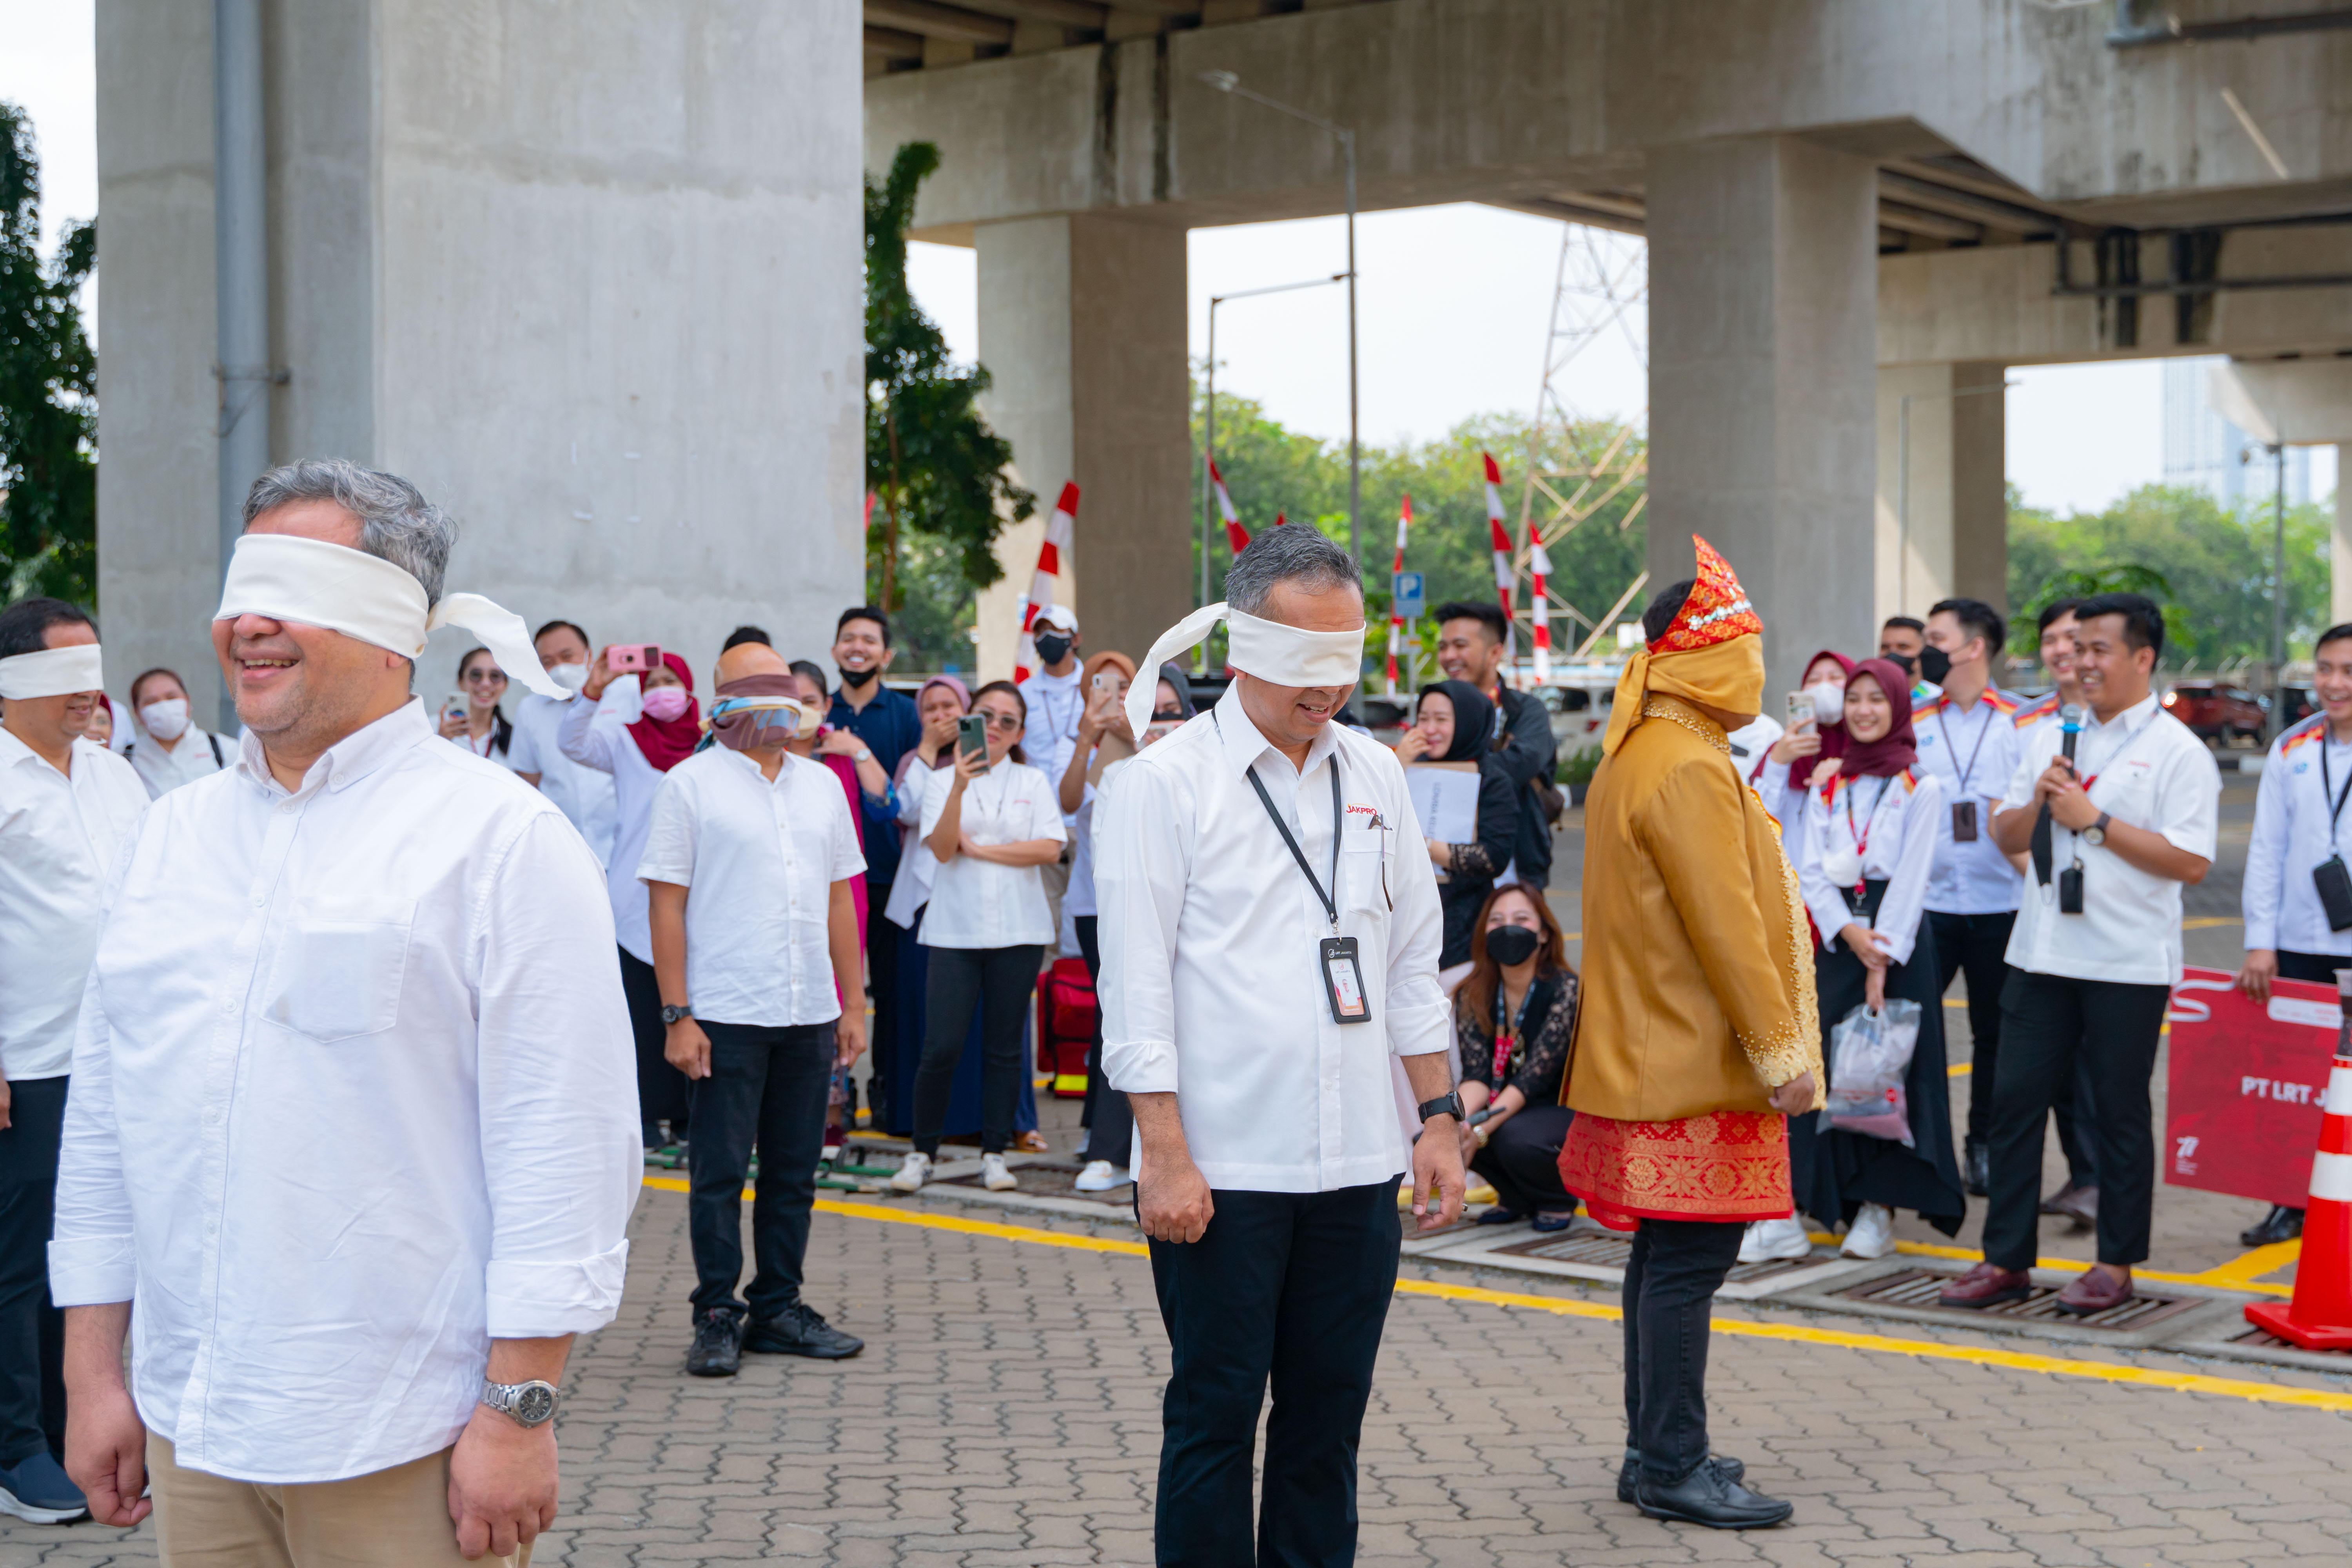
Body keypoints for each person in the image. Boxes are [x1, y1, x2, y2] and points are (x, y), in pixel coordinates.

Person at [51, 458, 635, 1563]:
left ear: (395, 625)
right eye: (243, 587)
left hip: (403, 1435)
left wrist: (519, 1412)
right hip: (194, 1421)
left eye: (297, 589)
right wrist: (92, 1374)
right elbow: (108, 1124)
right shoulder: (168, 839)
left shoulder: (500, 841)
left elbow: (563, 1148)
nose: (249, 624)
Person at [1099, 523, 1465, 1564]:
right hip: (1225, 1168)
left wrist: (1438, 1118)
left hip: (1358, 1165)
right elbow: (1136, 987)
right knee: (1214, 1414)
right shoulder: (1164, 783)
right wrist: (1165, 1154)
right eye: (1307, 659)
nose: (1330, 687)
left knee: (1326, 1421)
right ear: (1246, 644)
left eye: (1346, 658)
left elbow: (1409, 964)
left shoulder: (1376, 773)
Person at [1557, 538, 1821, 1530]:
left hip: (1652, 1052)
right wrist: (1784, 1052)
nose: (1756, 666)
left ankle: (1654, 1450)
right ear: (1704, 657)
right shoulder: (1688, 765)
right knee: (1686, 1265)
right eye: (1746, 648)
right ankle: (1673, 1461)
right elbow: (1729, 930)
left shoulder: (1643, 751)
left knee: (1664, 1261)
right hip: (1693, 1058)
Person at [1943, 593, 2220, 1316]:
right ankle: (2006, 1259)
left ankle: (2115, 1265)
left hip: (2126, 963)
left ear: (2143, 658)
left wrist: (2094, 821)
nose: (2082, 662)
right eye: (2077, 648)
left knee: (2119, 1114)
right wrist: (2041, 802)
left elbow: (2191, 861)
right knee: (2014, 1106)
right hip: (2040, 955)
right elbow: (2006, 835)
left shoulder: (2178, 751)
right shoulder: (2051, 734)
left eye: (2099, 649)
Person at [639, 641, 868, 1377]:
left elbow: (840, 900)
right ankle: (716, 1312)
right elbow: (666, 906)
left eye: (787, 691)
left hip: (808, 1011)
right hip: (725, 1012)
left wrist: (853, 1004)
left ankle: (777, 1308)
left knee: (795, 1173)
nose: (782, 706)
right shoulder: (690, 785)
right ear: (724, 703)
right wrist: (677, 1015)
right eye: (762, 691)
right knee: (719, 1173)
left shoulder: (822, 786)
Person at [0, 599, 146, 1527]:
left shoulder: (114, 775)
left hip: (116, 1054)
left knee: (84, 1250)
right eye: (65, 674)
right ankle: (15, 1446)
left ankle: (70, 1430)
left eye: (93, 670)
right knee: (17, 1261)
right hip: (27, 1056)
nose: (88, 692)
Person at [1748, 659, 1963, 1263]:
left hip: (1899, 943)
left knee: (1887, 1069)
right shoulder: (1829, 782)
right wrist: (1848, 933)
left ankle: (1877, 1210)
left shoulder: (1921, 785)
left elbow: (1914, 877)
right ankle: (1796, 1208)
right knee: (1821, 1071)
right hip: (1838, 940)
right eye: (1856, 700)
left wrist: (1882, 954)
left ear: (1898, 706)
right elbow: (1811, 867)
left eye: (1877, 699)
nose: (1864, 711)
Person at [890, 681, 1065, 1196]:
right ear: (969, 718)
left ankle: (994, 1154)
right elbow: (944, 849)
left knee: (1004, 1048)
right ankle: (922, 1152)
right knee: (941, 1046)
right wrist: (960, 788)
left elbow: (1049, 848)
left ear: (1019, 734)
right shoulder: (943, 780)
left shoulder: (1033, 779)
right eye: (986, 715)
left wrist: (984, 851)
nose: (994, 727)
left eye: (1007, 721)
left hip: (1019, 929)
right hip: (954, 930)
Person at [2232, 621, 2352, 1247]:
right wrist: (2262, 941)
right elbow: (2266, 852)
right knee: (2295, 1083)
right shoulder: (2292, 748)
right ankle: (2288, 1203)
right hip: (2300, 946)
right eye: (2325, 669)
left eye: (2348, 672)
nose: (2334, 684)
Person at [563, 645, 703, 1147]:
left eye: (671, 680)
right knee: (641, 1013)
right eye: (653, 682)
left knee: (692, 1007)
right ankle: (643, 1114)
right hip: (633, 897)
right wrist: (594, 688)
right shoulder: (625, 740)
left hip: (697, 897)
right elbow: (572, 743)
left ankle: (688, 1115)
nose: (662, 690)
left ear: (689, 687)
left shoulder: (711, 742)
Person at [1914, 599, 2026, 1199]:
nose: (1925, 651)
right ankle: (1917, 1146)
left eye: (1936, 639)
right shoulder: (1913, 719)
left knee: (1994, 1036)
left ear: (1974, 647)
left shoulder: (2019, 720)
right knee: (1915, 1029)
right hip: (1928, 907)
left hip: (2001, 904)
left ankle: (1981, 1146)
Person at [2010, 599, 2102, 1226]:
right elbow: (2008, 818)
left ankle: (2094, 1178)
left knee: (2095, 1066)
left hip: (2102, 922)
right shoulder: (2028, 725)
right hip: (2037, 913)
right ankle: (2079, 1179)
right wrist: (2042, 878)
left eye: (2077, 639)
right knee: (2048, 1066)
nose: (2064, 650)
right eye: (2052, 640)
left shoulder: (2119, 723)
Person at [824, 607, 922, 1136]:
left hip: (886, 872)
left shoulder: (906, 713)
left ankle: (885, 1089)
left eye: (868, 640)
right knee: (834, 991)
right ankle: (834, 1094)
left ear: (886, 654)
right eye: (848, 639)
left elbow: (908, 796)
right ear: (835, 649)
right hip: (829, 877)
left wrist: (858, 752)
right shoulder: (821, 710)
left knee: (888, 992)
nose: (857, 647)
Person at [880, 677, 980, 1137]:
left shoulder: (982, 755)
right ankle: (915, 1121)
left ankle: (974, 1121)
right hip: (921, 901)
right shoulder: (912, 761)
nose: (941, 716)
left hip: (974, 893)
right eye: (930, 708)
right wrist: (925, 749)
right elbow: (905, 811)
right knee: (921, 1013)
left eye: (949, 706)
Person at [1059, 652, 1140, 1192]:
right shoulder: (1081, 739)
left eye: (1124, 684)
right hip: (1094, 901)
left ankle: (1108, 1134)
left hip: (1143, 898)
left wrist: (1136, 735)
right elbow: (1067, 803)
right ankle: (1100, 1135)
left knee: (1121, 1012)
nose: (1114, 694)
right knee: (1109, 1010)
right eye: (1102, 684)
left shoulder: (1157, 735)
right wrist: (1087, 737)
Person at [1454, 884, 1580, 1230]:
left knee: (1513, 1137)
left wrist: (1480, 1130)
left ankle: (1556, 1198)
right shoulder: (1473, 991)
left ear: (1543, 933)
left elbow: (1532, 1080)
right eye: (1497, 920)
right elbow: (1477, 1074)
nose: (1509, 927)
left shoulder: (1565, 990)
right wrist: (1455, 1123)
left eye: (1521, 919)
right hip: (1506, 1107)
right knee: (1442, 1133)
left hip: (1560, 1109)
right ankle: (1516, 1197)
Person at [1396, 679, 1520, 982]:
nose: (1429, 729)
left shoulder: (1492, 779)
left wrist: (1424, 845)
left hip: (1464, 929)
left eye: (1441, 719)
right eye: (1423, 719)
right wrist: (1396, 766)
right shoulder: (1406, 767)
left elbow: (1493, 856)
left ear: (1467, 721)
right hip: (1404, 922)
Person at [1433, 600, 1559, 888]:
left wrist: (1452, 767)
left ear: (1495, 653)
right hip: (1448, 872)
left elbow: (1522, 764)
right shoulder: (1437, 711)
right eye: (1443, 647)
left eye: (1460, 645)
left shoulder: (1526, 711)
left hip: (1515, 874)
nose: (1449, 656)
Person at [507, 619, 618, 866]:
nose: (560, 667)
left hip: (622, 848)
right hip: (562, 853)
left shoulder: (625, 694)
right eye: (548, 662)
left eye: (568, 656)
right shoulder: (530, 709)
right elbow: (528, 784)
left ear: (589, 656)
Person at [1018, 604, 1085, 937]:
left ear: (1075, 639)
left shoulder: (1095, 687)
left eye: (1055, 631)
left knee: (1092, 910)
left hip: (1087, 815)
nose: (1046, 638)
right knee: (1045, 915)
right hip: (1041, 819)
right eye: (1040, 632)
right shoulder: (1023, 693)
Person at [1754, 649, 1855, 821]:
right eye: (1814, 680)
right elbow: (1760, 816)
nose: (1824, 687)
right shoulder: (1785, 748)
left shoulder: (1870, 748)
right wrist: (1777, 762)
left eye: (1835, 678)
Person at [118, 667, 230, 798]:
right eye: (151, 702)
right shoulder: (124, 758)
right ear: (137, 713)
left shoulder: (225, 749)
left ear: (188, 701)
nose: (164, 707)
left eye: (172, 697)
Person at [438, 646, 514, 766]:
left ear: (505, 685)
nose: (485, 683)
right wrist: (439, 743)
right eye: (476, 675)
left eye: (495, 676)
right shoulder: (431, 730)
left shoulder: (515, 738)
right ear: (460, 682)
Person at [1879, 615, 1942, 704]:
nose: (1892, 653)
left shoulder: (1937, 700)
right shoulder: (1869, 698)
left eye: (1903, 647)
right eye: (1885, 647)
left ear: (1924, 652)